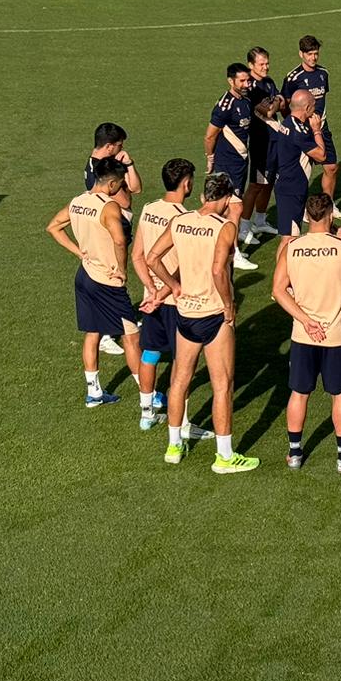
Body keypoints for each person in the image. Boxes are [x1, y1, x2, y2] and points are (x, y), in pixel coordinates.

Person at [144, 171, 259, 473]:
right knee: (222, 385)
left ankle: (173, 446)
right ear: (225, 198)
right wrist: (229, 306)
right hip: (213, 314)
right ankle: (224, 456)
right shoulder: (225, 227)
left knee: (179, 380)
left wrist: (173, 285)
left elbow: (152, 257)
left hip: (185, 313)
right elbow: (220, 270)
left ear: (202, 196)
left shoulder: (180, 222)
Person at [46, 156, 141, 408]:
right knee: (131, 335)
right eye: (120, 185)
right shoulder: (108, 206)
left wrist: (79, 252)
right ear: (112, 184)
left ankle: (94, 392)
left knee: (93, 332)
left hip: (84, 275)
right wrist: (122, 270)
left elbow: (53, 227)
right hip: (107, 280)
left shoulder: (78, 201)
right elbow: (120, 241)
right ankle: (148, 394)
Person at [128, 158, 211, 436]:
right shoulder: (182, 218)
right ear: (187, 183)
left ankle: (147, 413)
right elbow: (181, 268)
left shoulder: (149, 209)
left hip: (150, 298)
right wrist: (165, 290)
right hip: (176, 302)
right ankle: (184, 424)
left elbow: (138, 256)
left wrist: (150, 290)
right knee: (182, 365)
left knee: (150, 352)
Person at [272, 193, 341, 474]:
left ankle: (295, 453)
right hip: (338, 335)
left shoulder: (292, 248)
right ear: (330, 215)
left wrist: (305, 320)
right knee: (340, 394)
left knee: (299, 393)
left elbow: (278, 290)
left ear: (306, 217)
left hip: (304, 335)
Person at [85, 123, 142, 356]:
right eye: (119, 145)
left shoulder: (104, 164)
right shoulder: (100, 169)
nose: (122, 148)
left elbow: (136, 188)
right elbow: (126, 200)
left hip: (118, 222)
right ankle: (106, 333)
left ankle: (113, 324)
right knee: (113, 275)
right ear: (109, 146)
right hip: (111, 227)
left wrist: (129, 164)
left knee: (112, 277)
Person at [202, 62, 259, 271]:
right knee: (235, 208)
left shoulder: (244, 101)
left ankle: (218, 247)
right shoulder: (224, 107)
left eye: (247, 80)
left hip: (240, 163)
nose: (246, 84)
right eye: (242, 80)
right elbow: (209, 135)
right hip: (226, 164)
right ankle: (233, 254)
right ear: (230, 81)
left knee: (227, 210)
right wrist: (210, 158)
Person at [281, 35, 340, 211]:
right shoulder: (293, 78)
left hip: (321, 127)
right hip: (303, 131)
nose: (313, 58)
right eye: (309, 54)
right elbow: (285, 105)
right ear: (301, 54)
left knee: (331, 166)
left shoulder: (323, 73)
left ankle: (328, 206)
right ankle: (304, 208)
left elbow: (323, 99)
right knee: (302, 172)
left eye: (316, 53)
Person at [271, 90, 330, 237]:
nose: (316, 109)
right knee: (289, 238)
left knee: (291, 234)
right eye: (314, 105)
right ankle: (283, 261)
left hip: (290, 184)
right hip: (291, 188)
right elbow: (322, 156)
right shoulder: (299, 132)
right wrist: (317, 130)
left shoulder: (289, 123)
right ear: (307, 107)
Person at [243, 46, 283, 242]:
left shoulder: (268, 82)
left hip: (274, 139)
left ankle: (260, 221)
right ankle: (243, 226)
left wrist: (275, 103)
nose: (266, 67)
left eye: (267, 63)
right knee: (256, 184)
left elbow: (280, 103)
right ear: (251, 65)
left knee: (270, 181)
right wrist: (275, 103)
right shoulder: (249, 87)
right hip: (260, 140)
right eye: (262, 64)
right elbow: (267, 111)